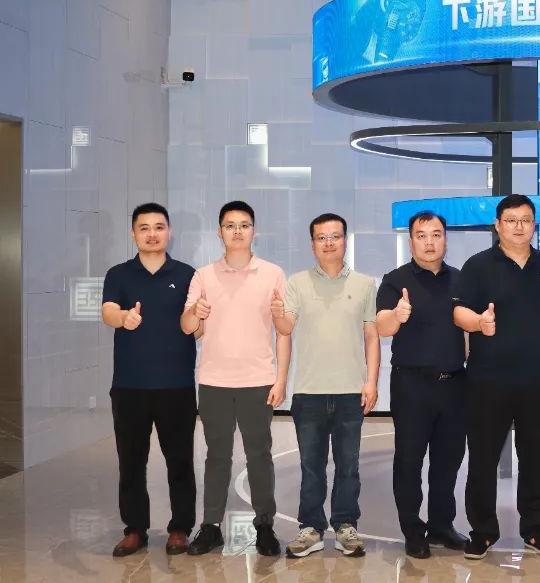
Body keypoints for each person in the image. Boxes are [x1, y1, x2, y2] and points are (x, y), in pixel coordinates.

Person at [452, 194, 540, 560]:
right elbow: (458, 313)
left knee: (535, 457)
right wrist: (479, 323)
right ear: (498, 225)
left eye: (525, 219)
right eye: (511, 220)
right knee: (483, 459)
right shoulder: (478, 265)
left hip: (537, 381)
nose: (519, 226)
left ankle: (534, 529)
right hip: (486, 382)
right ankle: (482, 531)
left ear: (534, 224)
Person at [181, 201, 289, 557]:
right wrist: (195, 312)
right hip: (214, 380)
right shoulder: (203, 275)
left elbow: (284, 329)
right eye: (230, 225)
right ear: (219, 232)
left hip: (258, 380)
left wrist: (280, 379)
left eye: (244, 225)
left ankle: (265, 525)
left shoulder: (273, 273)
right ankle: (211, 526)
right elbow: (189, 328)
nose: (237, 231)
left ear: (254, 231)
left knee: (259, 455)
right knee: (217, 456)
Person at [274, 213, 379, 559]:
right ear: (312, 244)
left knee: (348, 466)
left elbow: (371, 335)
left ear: (345, 240)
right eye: (322, 237)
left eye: (335, 236)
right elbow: (286, 328)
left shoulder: (364, 284)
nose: (329, 242)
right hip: (309, 393)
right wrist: (276, 314)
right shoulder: (297, 283)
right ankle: (311, 528)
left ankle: (346, 526)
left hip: (351, 393)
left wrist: (371, 382)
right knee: (311, 467)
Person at [101, 203, 198, 556]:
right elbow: (108, 311)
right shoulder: (119, 274)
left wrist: (201, 318)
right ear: (133, 234)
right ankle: (135, 529)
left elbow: (195, 327)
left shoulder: (188, 274)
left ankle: (180, 528)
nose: (152, 234)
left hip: (177, 386)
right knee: (131, 462)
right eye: (144, 228)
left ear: (169, 231)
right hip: (130, 386)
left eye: (159, 227)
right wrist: (123, 317)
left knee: (180, 461)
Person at [375, 211, 469, 559]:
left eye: (436, 234)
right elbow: (382, 326)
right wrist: (396, 315)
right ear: (411, 240)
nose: (430, 242)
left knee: (448, 460)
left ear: (445, 238)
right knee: (410, 460)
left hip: (455, 384)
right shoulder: (395, 280)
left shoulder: (461, 280)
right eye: (421, 235)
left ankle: (442, 526)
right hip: (412, 384)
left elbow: (468, 330)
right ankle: (413, 530)